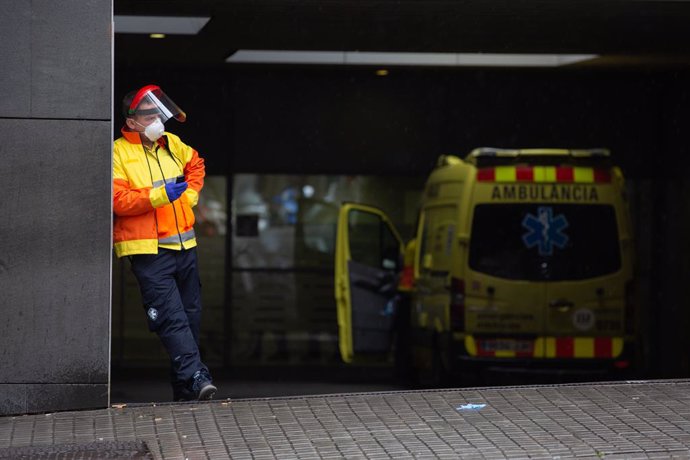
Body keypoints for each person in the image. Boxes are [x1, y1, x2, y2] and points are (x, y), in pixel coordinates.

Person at [112, 84, 217, 401]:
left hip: (184, 246)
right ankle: (197, 376)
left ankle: (185, 388)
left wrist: (191, 194)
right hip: (148, 251)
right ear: (132, 121)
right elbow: (119, 201)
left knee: (190, 318)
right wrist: (159, 196)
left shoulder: (171, 143)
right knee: (171, 318)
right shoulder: (119, 152)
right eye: (149, 114)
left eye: (159, 112)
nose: (157, 118)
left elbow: (196, 163)